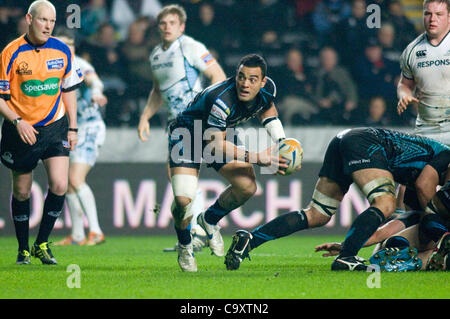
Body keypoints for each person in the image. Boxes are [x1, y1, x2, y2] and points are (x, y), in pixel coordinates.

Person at [224, 127, 450, 271]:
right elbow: (424, 185)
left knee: (317, 214)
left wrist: (350, 242)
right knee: (385, 202)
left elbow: (401, 222)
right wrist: (438, 221)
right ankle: (347, 259)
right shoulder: (446, 155)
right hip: (366, 143)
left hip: (346, 140)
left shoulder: (419, 179)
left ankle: (249, 240)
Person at [168, 54, 290, 272]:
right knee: (183, 200)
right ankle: (185, 245)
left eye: (252, 79)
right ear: (235, 76)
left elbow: (268, 110)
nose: (245, 83)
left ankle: (209, 219)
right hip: (188, 134)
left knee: (247, 187)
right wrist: (258, 157)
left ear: (263, 82)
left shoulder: (267, 89)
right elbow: (215, 146)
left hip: (221, 132)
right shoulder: (222, 100)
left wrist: (283, 143)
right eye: (241, 77)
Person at [136, 4, 226, 252]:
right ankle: (196, 231)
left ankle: (197, 231)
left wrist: (207, 108)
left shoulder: (191, 47)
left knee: (181, 177)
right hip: (176, 123)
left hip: (195, 120)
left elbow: (218, 76)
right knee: (178, 179)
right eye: (163, 23)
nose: (167, 27)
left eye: (172, 23)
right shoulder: (156, 54)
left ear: (182, 26)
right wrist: (145, 116)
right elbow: (158, 91)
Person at [0, 0, 82, 265]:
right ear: (29, 19)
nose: (48, 26)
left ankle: (42, 243)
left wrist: (72, 127)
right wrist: (17, 121)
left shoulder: (62, 51)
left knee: (60, 184)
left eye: (52, 21)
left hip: (55, 126)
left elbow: (69, 90)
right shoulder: (10, 52)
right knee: (22, 191)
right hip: (20, 129)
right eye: (43, 20)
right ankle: (23, 248)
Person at [315, 182, 450, 271]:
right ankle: (428, 259)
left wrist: (346, 246)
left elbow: (379, 234)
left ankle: (413, 260)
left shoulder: (414, 215)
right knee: (437, 247)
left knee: (389, 244)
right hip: (437, 227)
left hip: (428, 225)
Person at [53, 31, 107, 246]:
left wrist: (96, 92)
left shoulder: (79, 64)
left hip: (90, 127)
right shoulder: (52, 66)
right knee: (67, 184)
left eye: (72, 45)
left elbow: (95, 81)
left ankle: (95, 231)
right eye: (65, 46)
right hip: (70, 129)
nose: (70, 50)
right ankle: (77, 235)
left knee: (76, 179)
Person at [397, 0, 450, 145]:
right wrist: (404, 95)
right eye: (428, 13)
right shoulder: (411, 51)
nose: (432, 19)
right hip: (427, 129)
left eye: (439, 14)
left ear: (449, 17)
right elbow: (404, 84)